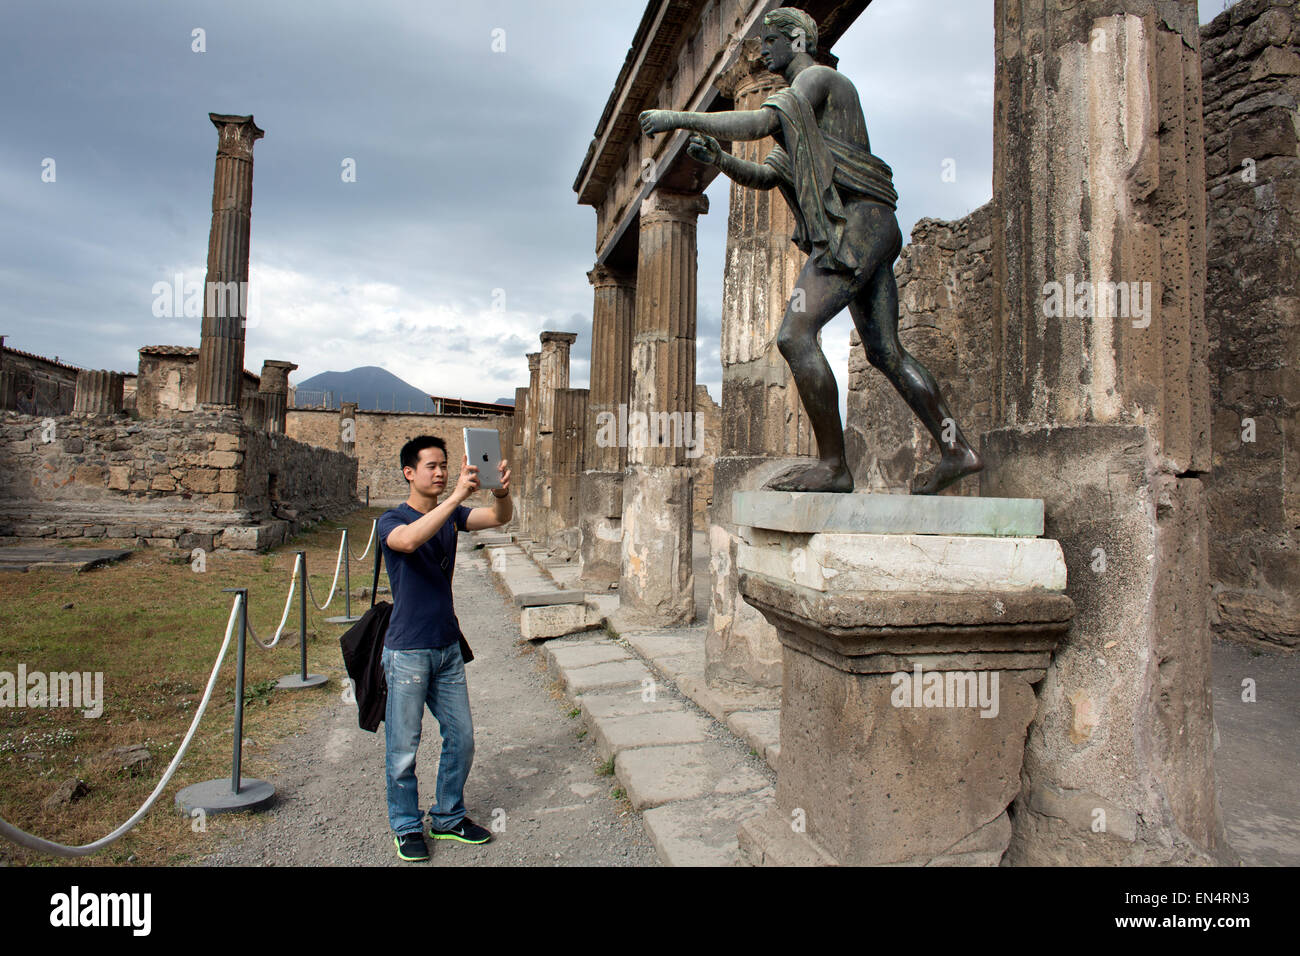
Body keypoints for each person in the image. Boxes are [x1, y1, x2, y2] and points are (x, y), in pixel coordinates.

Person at [638, 7, 982, 495]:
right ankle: (957, 449)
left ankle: (833, 466)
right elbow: (767, 174)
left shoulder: (819, 80)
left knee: (795, 335)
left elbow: (759, 121)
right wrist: (721, 161)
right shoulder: (802, 122)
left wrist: (676, 118)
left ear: (797, 39)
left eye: (770, 39)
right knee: (885, 350)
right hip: (873, 227)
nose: (762, 50)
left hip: (858, 224)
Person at [377, 434, 511, 862]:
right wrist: (453, 498)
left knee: (463, 736)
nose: (439, 472)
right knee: (404, 746)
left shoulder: (450, 516)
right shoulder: (391, 519)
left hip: (447, 645)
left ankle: (449, 816)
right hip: (408, 650)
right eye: (431, 466)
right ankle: (406, 825)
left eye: (444, 465)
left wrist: (502, 492)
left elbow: (498, 518)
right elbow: (408, 542)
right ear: (409, 473)